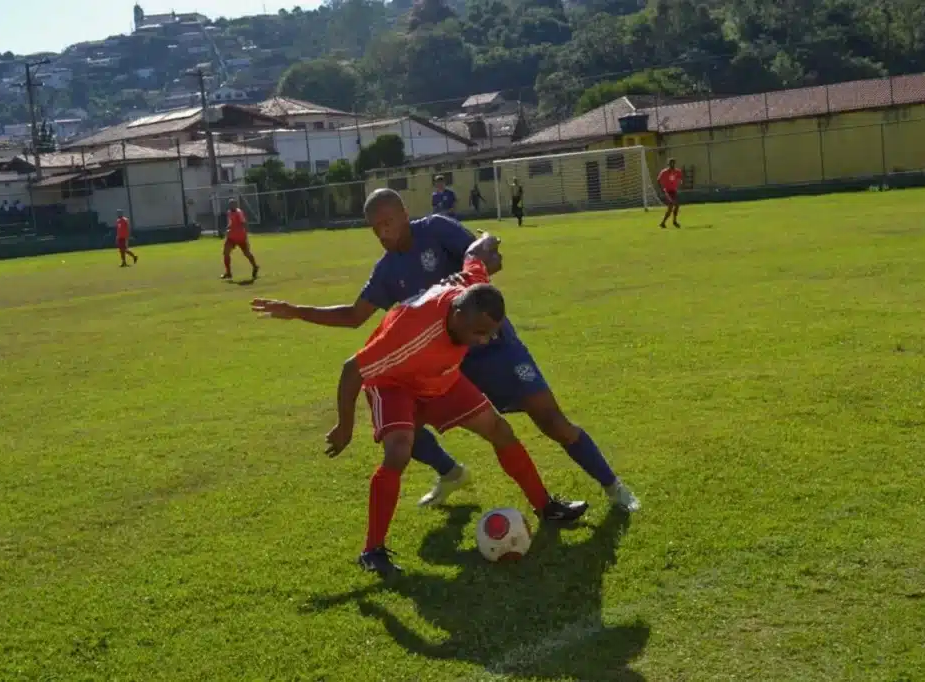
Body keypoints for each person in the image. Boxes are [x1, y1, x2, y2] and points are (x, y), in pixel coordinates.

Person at [252, 188, 640, 514]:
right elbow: (355, 316)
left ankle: (612, 485)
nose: (384, 233)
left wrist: (487, 252)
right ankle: (451, 473)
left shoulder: (436, 229)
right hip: (441, 365)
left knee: (552, 420)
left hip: (494, 347)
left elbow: (483, 260)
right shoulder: (387, 271)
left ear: (405, 214)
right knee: (401, 429)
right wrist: (296, 311)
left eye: (389, 222)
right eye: (376, 228)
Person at [324, 237, 588, 576]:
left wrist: (487, 239)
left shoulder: (472, 291)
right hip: (394, 383)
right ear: (458, 314)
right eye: (478, 332)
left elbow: (474, 256)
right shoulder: (412, 331)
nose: (482, 340)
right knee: (399, 451)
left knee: (499, 430)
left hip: (441, 378)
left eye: (489, 334)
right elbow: (352, 370)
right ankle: (372, 551)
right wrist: (344, 427)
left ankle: (545, 506)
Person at [222, 198, 259, 281]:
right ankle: (228, 272)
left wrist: (246, 235)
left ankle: (255, 266)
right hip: (231, 237)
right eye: (231, 204)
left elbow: (244, 223)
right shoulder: (229, 212)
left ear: (236, 205)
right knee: (226, 252)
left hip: (240, 236)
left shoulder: (239, 213)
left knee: (247, 253)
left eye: (233, 204)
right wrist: (227, 229)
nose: (232, 206)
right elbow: (230, 223)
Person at [658, 159, 683, 229]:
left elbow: (680, 178)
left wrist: (680, 183)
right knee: (672, 205)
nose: (672, 165)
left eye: (673, 164)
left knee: (676, 206)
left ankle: (667, 222)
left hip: (674, 191)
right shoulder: (664, 172)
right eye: (670, 164)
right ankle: (668, 222)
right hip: (667, 191)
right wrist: (662, 189)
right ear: (668, 164)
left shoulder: (677, 171)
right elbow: (658, 180)